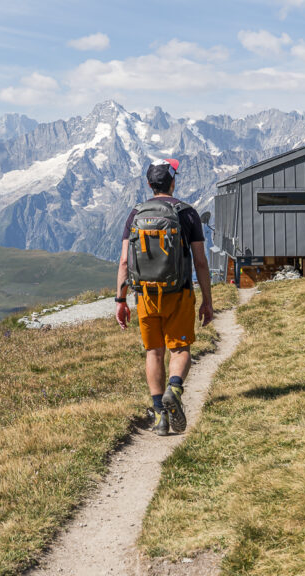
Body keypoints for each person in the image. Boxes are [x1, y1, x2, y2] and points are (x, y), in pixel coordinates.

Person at [115, 158, 214, 436]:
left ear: (149, 184)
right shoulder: (188, 213)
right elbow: (201, 262)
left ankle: (160, 416)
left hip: (145, 295)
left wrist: (121, 300)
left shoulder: (135, 214)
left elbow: (124, 262)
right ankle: (174, 389)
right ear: (173, 181)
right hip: (179, 292)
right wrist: (207, 300)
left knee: (154, 352)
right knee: (180, 349)